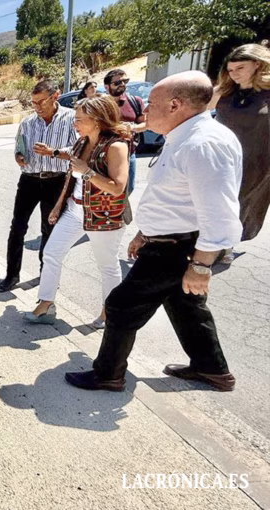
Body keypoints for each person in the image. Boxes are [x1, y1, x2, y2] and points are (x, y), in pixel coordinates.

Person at [65, 71, 242, 392]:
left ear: (175, 105)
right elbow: (175, 200)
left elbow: (220, 214)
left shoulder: (204, 144)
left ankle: (108, 374)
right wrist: (145, 232)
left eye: (152, 102)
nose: (143, 108)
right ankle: (212, 368)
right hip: (168, 240)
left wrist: (201, 266)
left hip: (177, 247)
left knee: (120, 306)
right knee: (186, 306)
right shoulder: (184, 137)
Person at [24, 95, 131, 328]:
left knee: (107, 266)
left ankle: (109, 312)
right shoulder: (82, 142)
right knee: (51, 252)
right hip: (75, 210)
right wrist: (59, 203)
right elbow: (72, 166)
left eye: (79, 119)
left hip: (104, 217)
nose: (75, 123)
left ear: (96, 120)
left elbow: (118, 188)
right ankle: (46, 303)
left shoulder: (116, 146)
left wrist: (88, 172)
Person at [0, 79, 78, 293]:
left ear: (55, 96)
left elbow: (80, 150)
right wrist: (19, 156)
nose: (38, 107)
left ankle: (47, 275)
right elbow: (18, 147)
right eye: (34, 103)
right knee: (17, 228)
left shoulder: (71, 118)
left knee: (49, 230)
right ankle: (12, 275)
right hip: (29, 180)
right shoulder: (28, 122)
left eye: (41, 102)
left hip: (56, 180)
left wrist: (54, 151)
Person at [213, 43, 270, 252]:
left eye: (240, 68)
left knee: (239, 204)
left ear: (257, 64)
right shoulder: (226, 92)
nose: (234, 74)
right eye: (230, 70)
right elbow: (199, 109)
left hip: (257, 161)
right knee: (216, 202)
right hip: (222, 158)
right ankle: (217, 246)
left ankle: (222, 247)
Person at [103, 69, 146, 195]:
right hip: (104, 154)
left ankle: (122, 214)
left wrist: (132, 128)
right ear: (107, 86)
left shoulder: (135, 101)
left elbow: (145, 124)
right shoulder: (101, 104)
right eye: (117, 82)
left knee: (128, 188)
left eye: (125, 81)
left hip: (129, 153)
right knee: (106, 189)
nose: (122, 84)